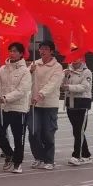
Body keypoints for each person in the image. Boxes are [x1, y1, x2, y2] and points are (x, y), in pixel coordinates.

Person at [0, 42, 32, 173]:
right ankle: (9, 154)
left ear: (21, 54)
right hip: (4, 108)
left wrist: (6, 98)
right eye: (10, 51)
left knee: (18, 137)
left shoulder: (25, 71)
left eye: (15, 51)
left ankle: (17, 163)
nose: (12, 53)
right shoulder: (3, 68)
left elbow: (22, 90)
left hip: (18, 108)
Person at [28, 41, 64, 170]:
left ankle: (49, 160)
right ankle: (39, 157)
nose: (42, 51)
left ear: (51, 51)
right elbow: (26, 81)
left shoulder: (57, 67)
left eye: (46, 49)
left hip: (49, 104)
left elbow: (53, 84)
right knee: (33, 131)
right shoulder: (34, 64)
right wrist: (30, 72)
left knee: (48, 133)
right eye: (41, 49)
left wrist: (40, 94)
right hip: (34, 104)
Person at [63, 55, 93, 165]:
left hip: (82, 103)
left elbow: (85, 87)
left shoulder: (87, 72)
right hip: (70, 103)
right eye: (72, 58)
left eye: (77, 57)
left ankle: (77, 155)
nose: (74, 60)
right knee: (77, 131)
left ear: (81, 59)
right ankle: (86, 154)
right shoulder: (68, 71)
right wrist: (64, 76)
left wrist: (70, 87)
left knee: (79, 130)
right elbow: (62, 85)